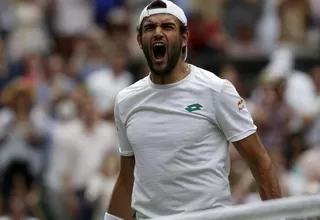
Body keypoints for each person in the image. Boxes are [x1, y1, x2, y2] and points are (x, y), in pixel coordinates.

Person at [106, 1, 282, 219]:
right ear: (139, 40)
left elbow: (260, 163)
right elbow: (126, 181)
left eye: (168, 27)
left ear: (184, 38)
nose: (158, 33)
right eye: (149, 28)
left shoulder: (216, 90)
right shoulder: (126, 101)